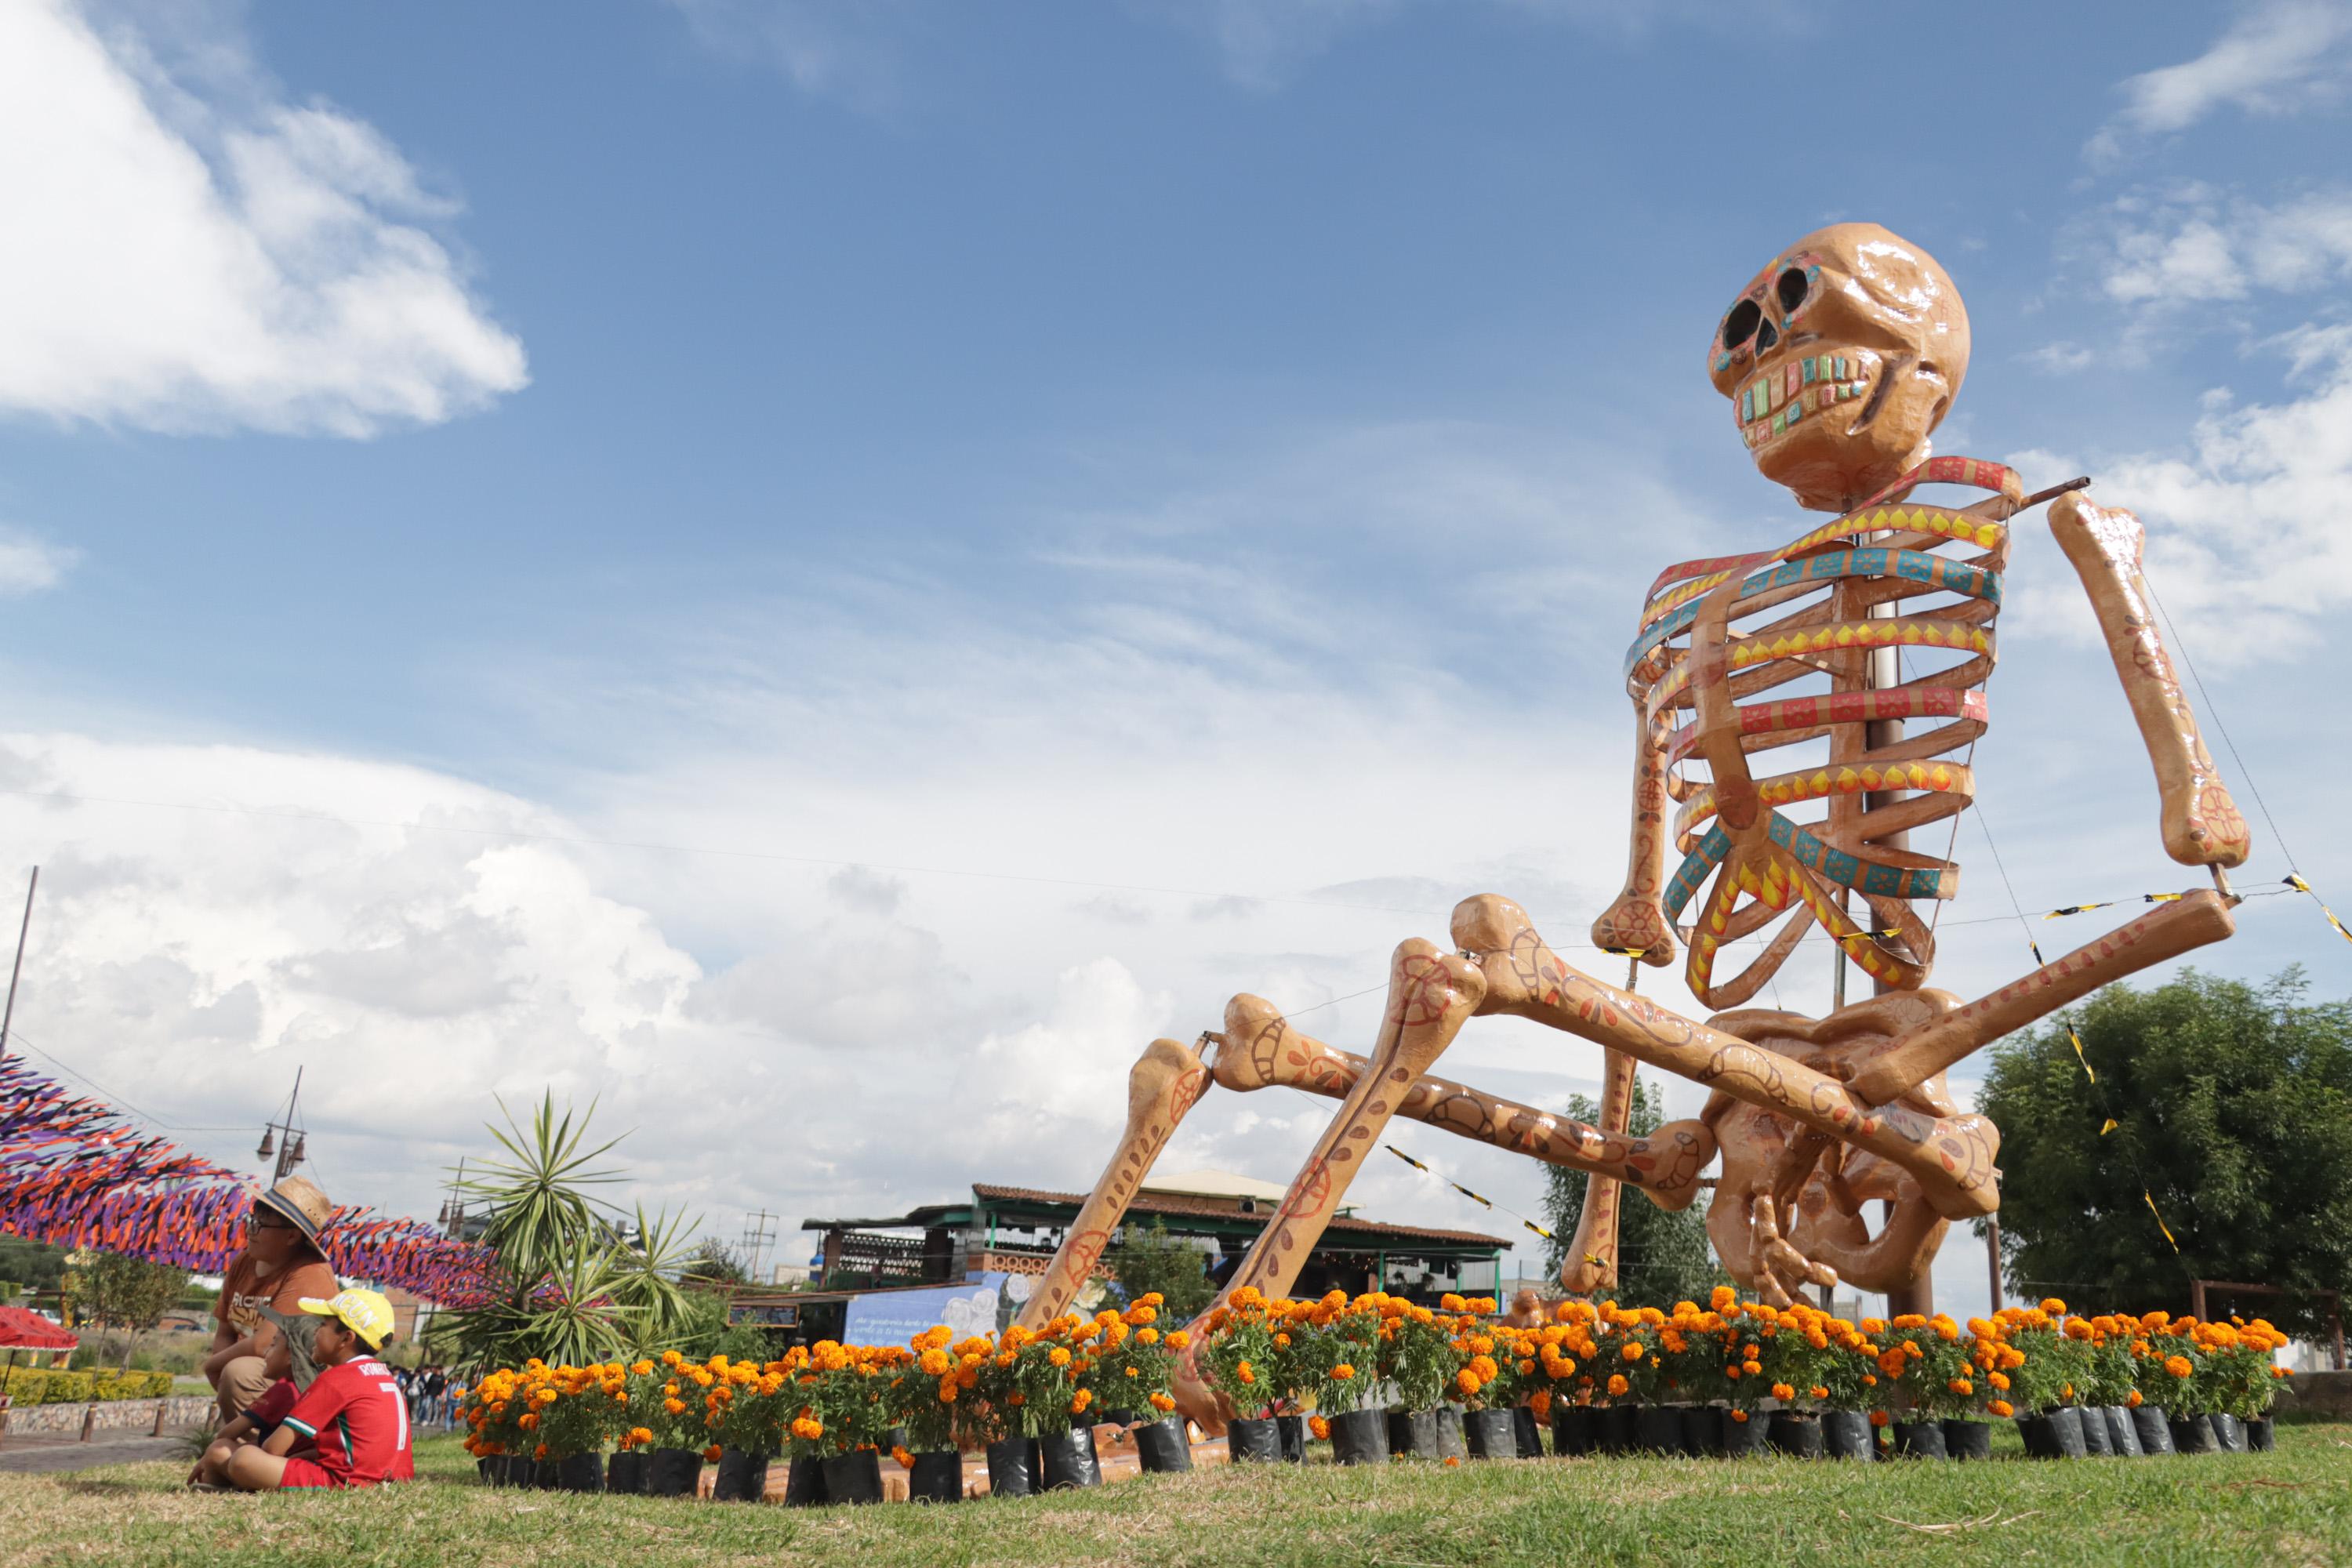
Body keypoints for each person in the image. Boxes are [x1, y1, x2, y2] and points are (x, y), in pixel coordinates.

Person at [224, 1288, 411, 1491]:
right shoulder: (384, 1376)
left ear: (346, 1339)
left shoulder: (337, 1379)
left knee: (244, 1458)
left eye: (323, 1325)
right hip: (390, 1481)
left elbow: (273, 1448)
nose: (316, 1331)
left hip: (347, 1482)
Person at [204, 1177, 339, 1425]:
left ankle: (268, 1445)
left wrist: (213, 1366)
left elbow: (262, 1345)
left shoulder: (310, 1273)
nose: (250, 1231)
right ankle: (245, 1442)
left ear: (291, 1236)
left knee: (239, 1373)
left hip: (298, 1385)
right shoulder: (244, 1263)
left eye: (260, 1225)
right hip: (258, 1379)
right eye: (251, 1221)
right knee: (235, 1374)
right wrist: (220, 1377)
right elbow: (225, 1331)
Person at [189, 1308, 319, 1488]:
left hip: (277, 1469)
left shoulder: (284, 1390)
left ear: (291, 1357)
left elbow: (228, 1433)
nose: (266, 1352)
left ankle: (216, 1485)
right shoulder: (318, 1388)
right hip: (307, 1468)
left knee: (219, 1449)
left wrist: (206, 1458)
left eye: (273, 1345)